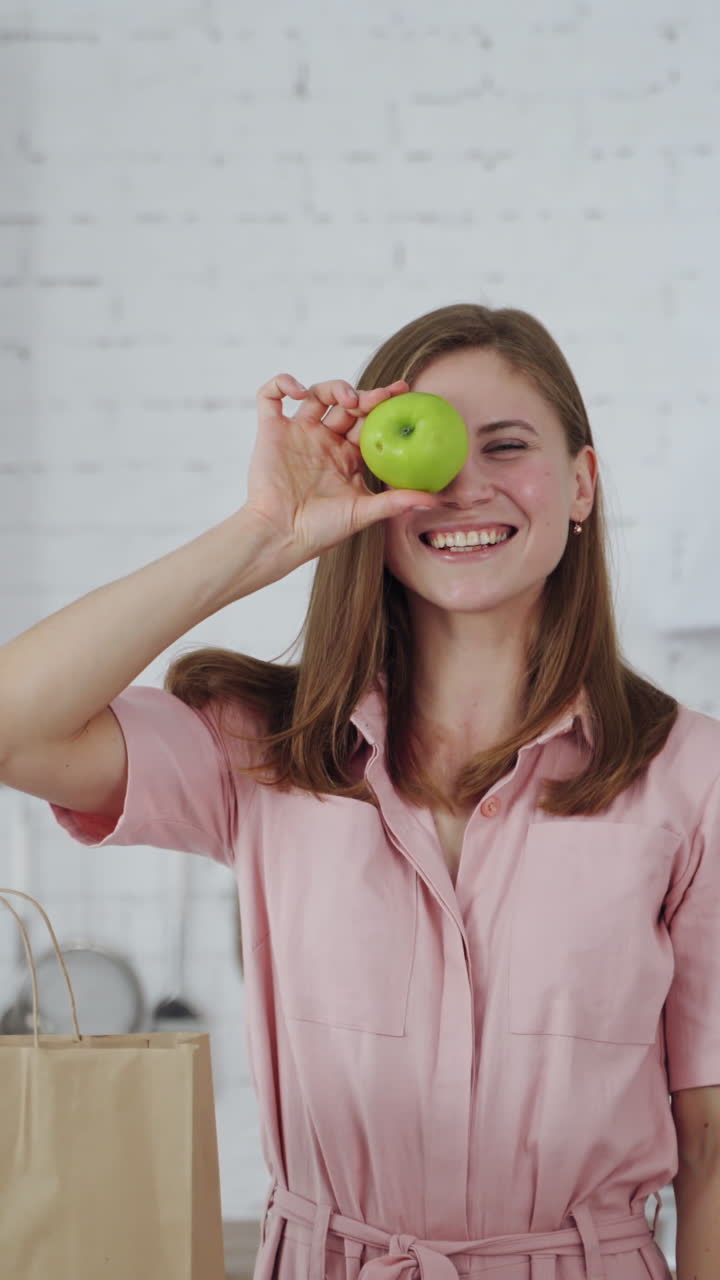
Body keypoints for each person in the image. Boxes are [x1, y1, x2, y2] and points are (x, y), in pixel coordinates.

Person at [0, 303, 717, 1280]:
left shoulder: (694, 775)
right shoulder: (261, 749)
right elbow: (14, 725)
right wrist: (264, 531)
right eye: (429, 455)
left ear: (582, 482)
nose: (465, 485)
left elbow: (713, 1143)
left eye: (508, 445)